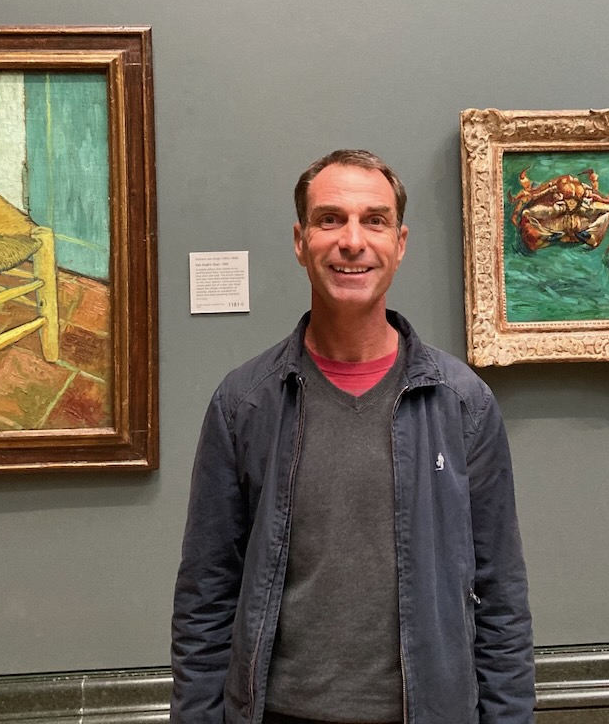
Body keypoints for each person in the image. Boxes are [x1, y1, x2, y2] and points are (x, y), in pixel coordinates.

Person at [171, 149, 535, 724]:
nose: (352, 240)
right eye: (330, 219)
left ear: (400, 243)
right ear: (300, 241)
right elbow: (206, 597)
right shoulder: (244, 403)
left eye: (375, 220)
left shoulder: (462, 402)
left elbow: (501, 596)